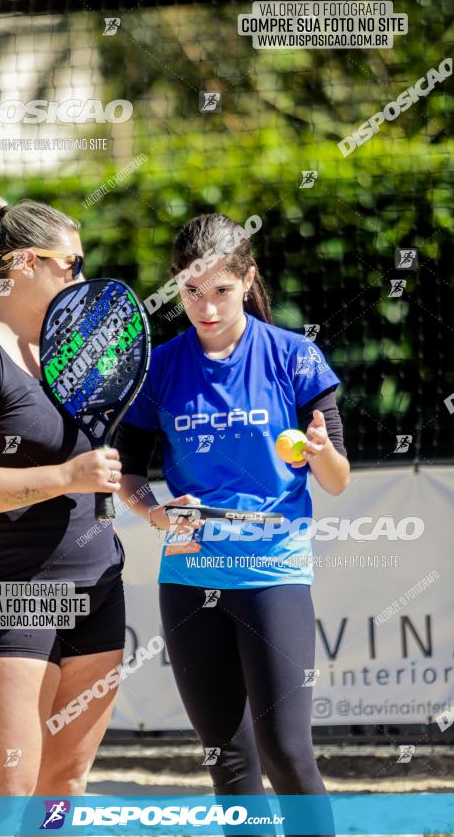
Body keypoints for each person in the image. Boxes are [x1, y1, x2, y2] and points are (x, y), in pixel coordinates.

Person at [113, 213, 350, 834]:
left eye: (220, 290)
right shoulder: (159, 367)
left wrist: (322, 451)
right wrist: (158, 516)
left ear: (247, 280)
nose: (206, 307)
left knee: (286, 751)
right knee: (228, 761)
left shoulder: (294, 357)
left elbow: (336, 478)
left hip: (274, 572)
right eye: (191, 292)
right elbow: (129, 476)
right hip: (189, 576)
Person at [0, 196, 125, 799]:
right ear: (29, 263)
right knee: (5, 786)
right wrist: (67, 476)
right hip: (6, 592)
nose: (82, 278)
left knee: (64, 784)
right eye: (74, 263)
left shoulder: (73, 356)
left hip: (95, 585)